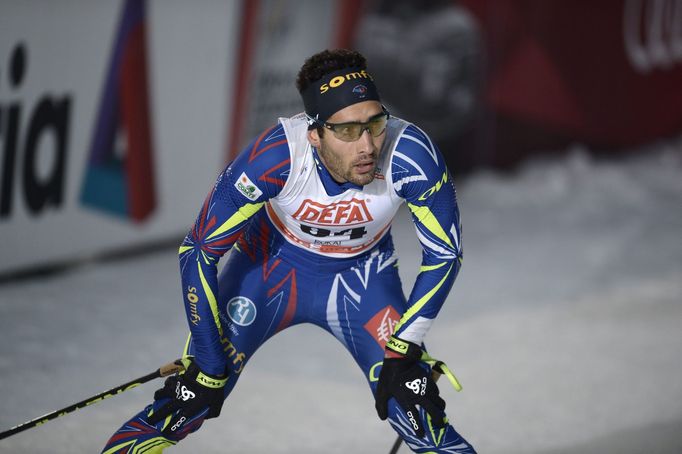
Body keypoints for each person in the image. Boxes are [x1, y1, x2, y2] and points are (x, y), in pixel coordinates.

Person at [102, 49, 476, 453]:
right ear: (314, 134)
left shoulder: (411, 154)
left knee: (416, 408)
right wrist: (208, 363)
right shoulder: (276, 157)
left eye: (375, 123)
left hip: (363, 278)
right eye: (348, 131)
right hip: (269, 268)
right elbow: (197, 251)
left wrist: (404, 348)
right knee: (186, 404)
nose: (367, 144)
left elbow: (444, 256)